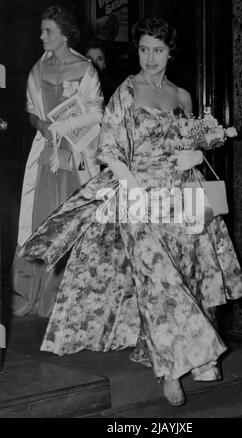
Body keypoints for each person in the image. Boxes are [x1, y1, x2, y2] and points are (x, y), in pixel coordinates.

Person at [20, 18, 242, 406]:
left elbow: (187, 143)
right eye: (144, 49)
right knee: (158, 280)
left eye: (158, 50)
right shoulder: (126, 91)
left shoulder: (182, 96)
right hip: (137, 195)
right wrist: (133, 187)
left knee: (186, 274)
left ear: (170, 52)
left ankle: (181, 352)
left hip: (181, 196)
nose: (151, 58)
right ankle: (169, 371)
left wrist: (195, 151)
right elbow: (108, 148)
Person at [12, 6, 104, 317]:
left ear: (65, 36)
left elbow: (97, 116)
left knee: (71, 221)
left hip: (76, 155)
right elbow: (31, 113)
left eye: (48, 31)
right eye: (41, 31)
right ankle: (30, 293)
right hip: (46, 155)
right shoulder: (37, 70)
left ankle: (66, 297)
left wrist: (66, 134)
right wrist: (45, 128)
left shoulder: (85, 69)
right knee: (40, 220)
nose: (41, 36)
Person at [85, 40, 116, 105]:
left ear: (105, 63)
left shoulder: (112, 91)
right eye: (90, 59)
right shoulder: (75, 83)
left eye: (100, 59)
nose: (94, 63)